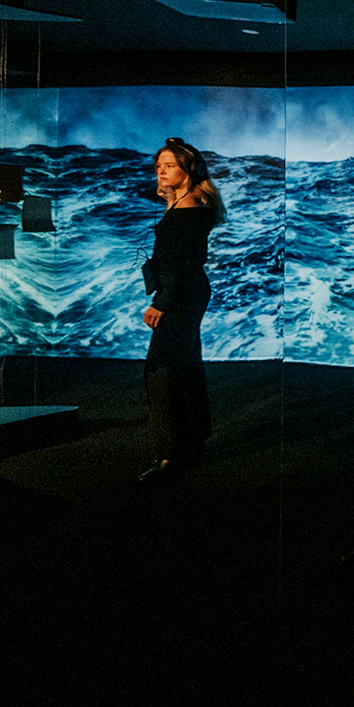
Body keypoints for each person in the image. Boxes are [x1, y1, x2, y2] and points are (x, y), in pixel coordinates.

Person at [139, 137, 225, 483]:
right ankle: (194, 441)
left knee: (161, 371)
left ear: (189, 170)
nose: (161, 171)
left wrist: (161, 303)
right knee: (187, 365)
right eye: (159, 166)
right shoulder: (188, 203)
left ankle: (170, 456)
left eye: (169, 165)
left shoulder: (188, 208)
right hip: (188, 292)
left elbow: (183, 265)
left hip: (180, 294)